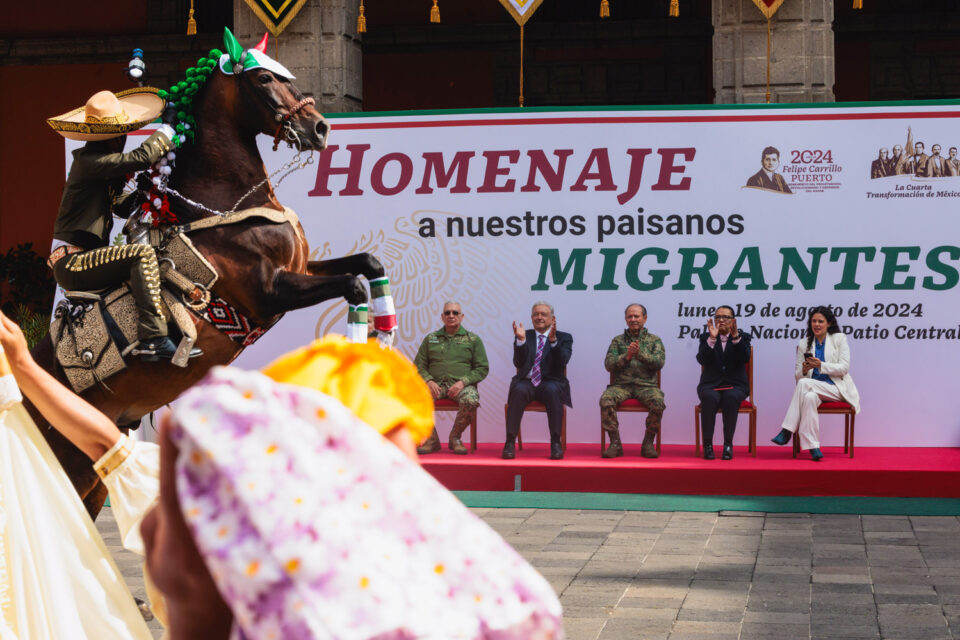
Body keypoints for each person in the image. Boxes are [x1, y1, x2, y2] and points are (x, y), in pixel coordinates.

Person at [46, 88, 190, 361]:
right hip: (73, 261)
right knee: (141, 255)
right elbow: (139, 158)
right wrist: (167, 130)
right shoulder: (88, 161)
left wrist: (144, 190)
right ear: (114, 137)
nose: (124, 139)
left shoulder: (99, 170)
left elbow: (123, 206)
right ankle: (153, 339)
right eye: (121, 134)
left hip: (84, 257)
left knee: (155, 262)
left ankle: (166, 331)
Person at [771, 305, 860, 461]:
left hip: (837, 389)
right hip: (814, 389)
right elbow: (798, 376)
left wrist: (821, 365)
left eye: (820, 321)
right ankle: (813, 447)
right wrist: (804, 370)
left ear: (829, 324)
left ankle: (787, 430)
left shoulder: (839, 338)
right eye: (813, 321)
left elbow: (844, 368)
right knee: (809, 397)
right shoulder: (804, 343)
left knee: (805, 384)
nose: (816, 324)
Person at [414, 301, 489, 455]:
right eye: (447, 313)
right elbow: (418, 365)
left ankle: (455, 438)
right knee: (412, 398)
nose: (451, 315)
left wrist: (463, 382)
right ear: (442, 317)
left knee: (471, 399)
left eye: (455, 312)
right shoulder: (431, 339)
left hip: (462, 387)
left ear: (461, 317)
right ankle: (431, 439)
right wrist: (428, 381)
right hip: (436, 385)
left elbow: (482, 368)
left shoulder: (473, 340)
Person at [503, 301, 572, 460]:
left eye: (543, 314)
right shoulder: (524, 334)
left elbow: (562, 362)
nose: (539, 317)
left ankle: (555, 443)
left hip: (551, 382)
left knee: (553, 391)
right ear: (531, 317)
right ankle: (509, 443)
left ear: (552, 319)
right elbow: (518, 364)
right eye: (536, 314)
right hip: (527, 382)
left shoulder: (564, 338)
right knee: (518, 389)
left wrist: (554, 342)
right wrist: (520, 342)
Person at [599, 303, 665, 459]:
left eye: (637, 316)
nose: (633, 319)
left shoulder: (655, 340)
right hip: (622, 386)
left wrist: (640, 354)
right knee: (606, 399)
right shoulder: (618, 340)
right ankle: (615, 444)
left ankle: (648, 443)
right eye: (630, 316)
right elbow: (609, 365)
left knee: (658, 401)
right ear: (625, 319)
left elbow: (659, 363)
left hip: (646, 386)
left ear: (645, 318)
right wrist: (627, 356)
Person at [696, 305, 752, 460]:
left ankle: (728, 444)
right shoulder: (705, 337)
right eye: (718, 317)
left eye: (725, 317)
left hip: (736, 385)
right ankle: (708, 445)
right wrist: (712, 339)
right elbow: (701, 359)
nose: (721, 320)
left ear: (733, 321)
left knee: (730, 397)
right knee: (709, 398)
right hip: (710, 385)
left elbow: (744, 358)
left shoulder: (743, 337)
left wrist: (735, 338)